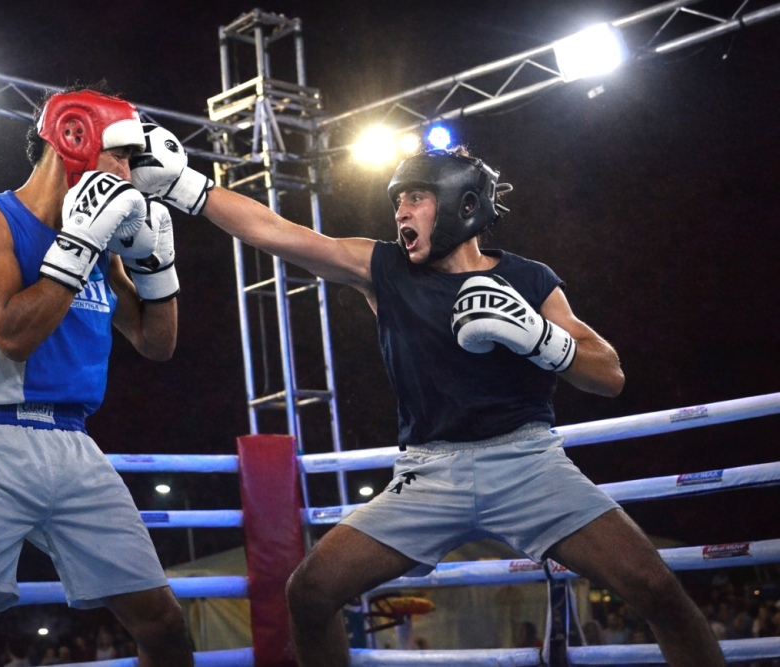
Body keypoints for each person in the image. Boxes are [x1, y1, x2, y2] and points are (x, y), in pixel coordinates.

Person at [127, 129, 727, 667]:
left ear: (463, 206)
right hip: (428, 474)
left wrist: (542, 339)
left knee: (656, 589)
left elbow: (609, 374)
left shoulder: (528, 279)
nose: (400, 213)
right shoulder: (384, 269)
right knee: (309, 592)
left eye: (414, 198)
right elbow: (281, 235)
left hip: (530, 465)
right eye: (396, 202)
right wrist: (189, 186)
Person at [0, 84, 192, 667]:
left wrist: (158, 269)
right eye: (120, 155)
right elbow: (14, 334)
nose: (130, 171)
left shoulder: (103, 245)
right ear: (74, 139)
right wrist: (79, 244)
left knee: (165, 625)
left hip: (76, 447)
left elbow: (157, 343)